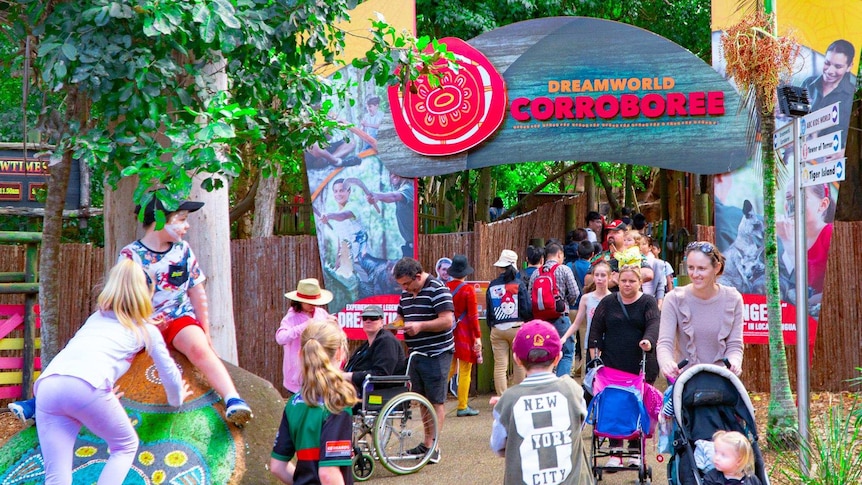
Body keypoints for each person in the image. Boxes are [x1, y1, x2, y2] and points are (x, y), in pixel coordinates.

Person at [34, 259, 191, 485]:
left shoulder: (95, 319)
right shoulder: (146, 330)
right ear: (146, 294)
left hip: (48, 386)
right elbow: (168, 373)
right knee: (125, 446)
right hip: (87, 387)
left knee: (56, 476)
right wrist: (177, 398)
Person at [120, 194, 252, 425]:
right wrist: (145, 321)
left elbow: (196, 291)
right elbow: (124, 297)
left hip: (179, 318)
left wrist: (205, 332)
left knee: (199, 349)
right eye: (181, 219)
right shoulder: (130, 255)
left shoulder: (183, 250)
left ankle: (233, 399)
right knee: (115, 357)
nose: (186, 225)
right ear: (160, 220)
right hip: (142, 322)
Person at [489, 320, 593, 485]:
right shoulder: (573, 391)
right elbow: (577, 426)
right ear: (558, 357)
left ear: (517, 359)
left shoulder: (508, 400)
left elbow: (498, 446)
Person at [587, 264, 660, 468]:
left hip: (641, 362)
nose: (627, 284)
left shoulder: (648, 302)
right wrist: (595, 358)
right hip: (612, 363)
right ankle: (615, 450)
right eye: (624, 281)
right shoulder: (608, 302)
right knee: (614, 404)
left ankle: (635, 450)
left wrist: (648, 341)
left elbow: (654, 324)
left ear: (640, 282)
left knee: (638, 404)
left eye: (632, 281)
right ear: (617, 281)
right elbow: (595, 331)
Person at [270, 319, 358, 485]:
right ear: (339, 353)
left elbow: (278, 466)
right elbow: (328, 474)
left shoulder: (293, 403)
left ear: (301, 355)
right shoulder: (337, 403)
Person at [392, 257, 455, 463]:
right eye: (401, 285)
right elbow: (401, 316)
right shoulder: (406, 292)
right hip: (416, 352)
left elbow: (447, 320)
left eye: (407, 284)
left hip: (437, 353)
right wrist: (395, 325)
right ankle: (427, 442)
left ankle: (434, 446)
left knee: (436, 400)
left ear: (418, 276)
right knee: (422, 398)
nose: (404, 288)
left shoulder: (438, 289)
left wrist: (420, 326)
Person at [657, 241, 744, 381]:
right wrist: (667, 364)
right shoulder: (673, 299)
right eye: (691, 268)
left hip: (722, 381)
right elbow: (664, 343)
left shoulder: (733, 299)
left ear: (716, 268)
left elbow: (735, 344)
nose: (695, 274)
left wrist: (734, 363)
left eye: (702, 268)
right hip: (685, 382)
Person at [776, 183, 835, 307]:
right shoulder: (787, 235)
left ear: (823, 204)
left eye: (800, 197)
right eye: (788, 198)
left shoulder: (831, 233)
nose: (791, 205)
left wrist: (788, 243)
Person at [528, 242, 580, 378]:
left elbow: (530, 296)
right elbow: (575, 292)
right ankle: (560, 386)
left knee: (544, 354)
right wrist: (566, 303)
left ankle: (545, 384)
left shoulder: (535, 273)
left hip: (541, 321)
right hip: (561, 318)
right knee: (566, 353)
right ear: (559, 254)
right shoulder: (564, 269)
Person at [486, 249, 532, 397]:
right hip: (517, 328)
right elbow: (526, 308)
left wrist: (492, 326)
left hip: (497, 329)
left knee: (500, 365)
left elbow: (489, 310)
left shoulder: (492, 285)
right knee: (519, 363)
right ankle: (518, 396)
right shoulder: (519, 284)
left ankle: (501, 398)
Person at [277, 278, 333, 395]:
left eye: (314, 302)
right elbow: (281, 338)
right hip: (297, 376)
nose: (313, 305)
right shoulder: (291, 318)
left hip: (319, 372)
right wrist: (304, 326)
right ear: (299, 301)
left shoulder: (321, 313)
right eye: (309, 302)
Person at [800, 39, 856, 148]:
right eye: (827, 63)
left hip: (829, 161)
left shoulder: (852, 97)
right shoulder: (808, 84)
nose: (830, 71)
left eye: (838, 66)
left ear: (849, 66)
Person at [445, 255, 482, 417]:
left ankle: (434, 399)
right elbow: (473, 317)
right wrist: (478, 337)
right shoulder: (468, 290)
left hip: (447, 333)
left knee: (449, 368)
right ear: (465, 273)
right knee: (465, 369)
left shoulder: (445, 287)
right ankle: (462, 406)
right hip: (465, 334)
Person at [343, 305, 405, 393]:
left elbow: (381, 374)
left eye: (373, 318)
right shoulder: (366, 344)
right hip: (356, 389)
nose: (368, 321)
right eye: (365, 318)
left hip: (379, 393)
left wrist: (349, 376)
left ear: (381, 322)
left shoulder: (386, 341)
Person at [562, 261, 612, 358]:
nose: (599, 278)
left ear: (609, 277)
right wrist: (564, 338)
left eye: (603, 275)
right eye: (597, 275)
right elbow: (576, 323)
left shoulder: (613, 299)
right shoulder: (586, 298)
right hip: (591, 344)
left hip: (609, 346)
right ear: (593, 277)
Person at [366, 172, 414, 258]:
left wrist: (377, 195)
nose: (393, 175)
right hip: (410, 247)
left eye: (397, 171)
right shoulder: (403, 190)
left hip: (417, 246)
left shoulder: (409, 188)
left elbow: (394, 196)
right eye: (390, 173)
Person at [320, 178, 368, 262]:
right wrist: (337, 263)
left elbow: (343, 215)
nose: (338, 194)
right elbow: (340, 242)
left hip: (362, 257)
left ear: (349, 191)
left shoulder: (353, 206)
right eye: (336, 191)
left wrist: (329, 216)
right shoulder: (336, 214)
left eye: (341, 190)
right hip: (348, 260)